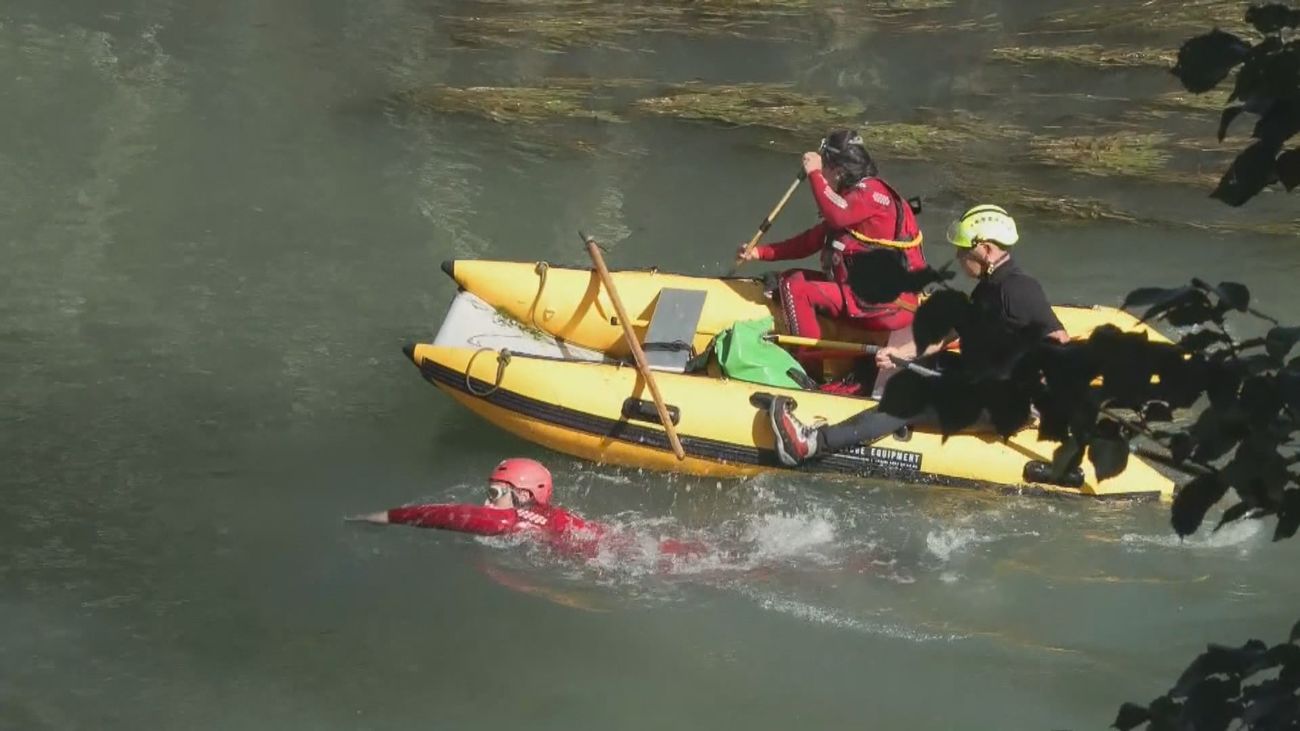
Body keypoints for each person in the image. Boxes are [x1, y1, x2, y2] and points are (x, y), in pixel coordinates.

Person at [766, 204, 1070, 465]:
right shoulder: (988, 289)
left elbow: (1059, 340)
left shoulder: (1018, 290)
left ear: (987, 250)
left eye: (964, 251)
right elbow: (947, 334)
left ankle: (811, 443)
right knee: (922, 367)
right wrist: (904, 355)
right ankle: (841, 396)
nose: (959, 256)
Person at [736, 129, 928, 380]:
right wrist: (759, 252)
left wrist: (814, 173)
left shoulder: (873, 194)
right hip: (863, 296)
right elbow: (811, 241)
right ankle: (811, 356)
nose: (823, 177)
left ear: (837, 170)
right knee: (792, 278)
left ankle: (809, 371)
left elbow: (837, 213)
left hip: (887, 306)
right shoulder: (852, 197)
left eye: (825, 168)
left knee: (796, 290)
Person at [352, 457, 702, 560]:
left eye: (494, 493)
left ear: (522, 496)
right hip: (638, 546)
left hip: (638, 559)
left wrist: (386, 517)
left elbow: (450, 515)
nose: (486, 503)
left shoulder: (517, 521)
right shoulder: (550, 518)